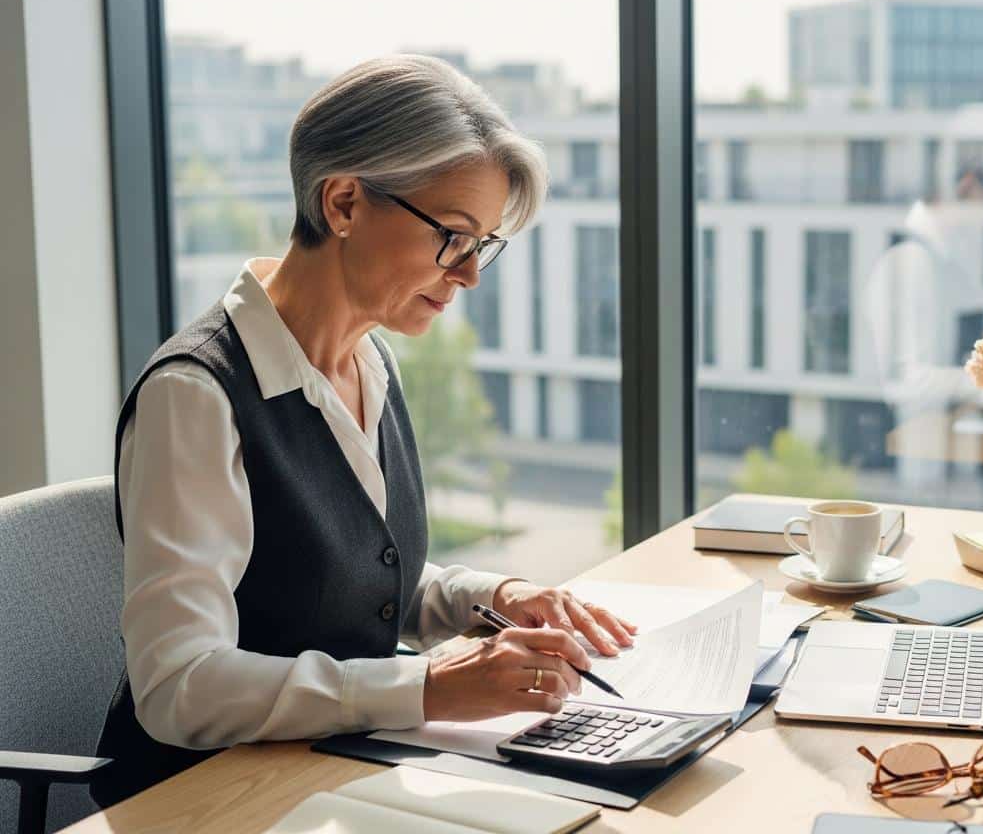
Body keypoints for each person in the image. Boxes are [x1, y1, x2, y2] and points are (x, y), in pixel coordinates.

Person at [93, 55, 635, 806]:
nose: (471, 273)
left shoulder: (369, 360)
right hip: (207, 800)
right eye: (453, 235)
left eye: (484, 244)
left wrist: (496, 593)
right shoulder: (195, 395)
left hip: (336, 774)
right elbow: (179, 686)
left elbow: (358, 580)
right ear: (344, 203)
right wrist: (429, 684)